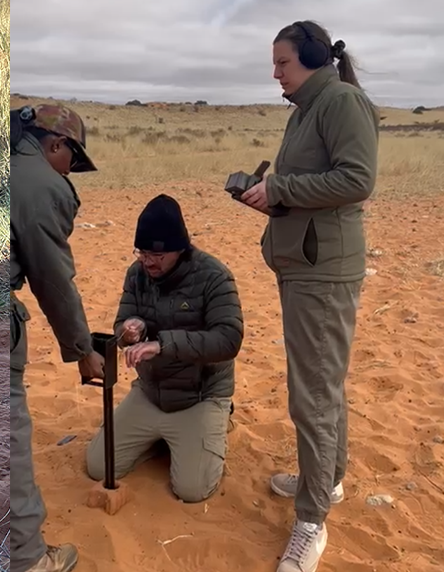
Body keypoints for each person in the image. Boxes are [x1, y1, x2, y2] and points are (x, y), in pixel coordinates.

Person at [238, 20, 380, 572]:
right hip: (303, 261)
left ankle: (311, 520)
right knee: (323, 382)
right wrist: (268, 197)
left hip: (323, 270)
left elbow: (357, 180)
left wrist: (282, 188)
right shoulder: (307, 108)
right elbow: (310, 187)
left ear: (315, 57)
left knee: (312, 395)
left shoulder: (340, 102)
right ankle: (329, 478)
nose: (274, 73)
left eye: (283, 63)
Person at [84, 194, 244, 503]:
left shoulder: (214, 276)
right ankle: (166, 438)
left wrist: (163, 344)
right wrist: (130, 329)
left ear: (180, 249)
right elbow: (122, 322)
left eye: (157, 254)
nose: (148, 261)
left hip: (199, 397)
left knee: (191, 490)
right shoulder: (137, 273)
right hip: (151, 391)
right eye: (142, 252)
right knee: (98, 466)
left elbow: (228, 339)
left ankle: (217, 421)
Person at [10, 103, 104, 572]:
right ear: (55, 144)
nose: (71, 172)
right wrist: (83, 351)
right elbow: (52, 280)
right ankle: (28, 559)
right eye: (72, 160)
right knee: (10, 434)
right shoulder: (41, 185)